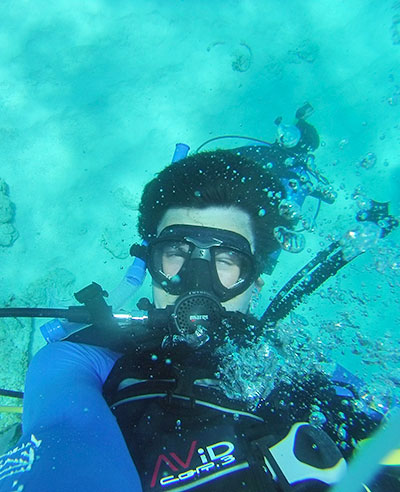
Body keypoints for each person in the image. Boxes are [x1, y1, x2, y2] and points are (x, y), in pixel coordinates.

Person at [0, 150, 398, 492]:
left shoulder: (300, 373)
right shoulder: (84, 359)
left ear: (255, 280)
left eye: (227, 260)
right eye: (176, 251)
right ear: (150, 264)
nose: (196, 279)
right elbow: (61, 430)